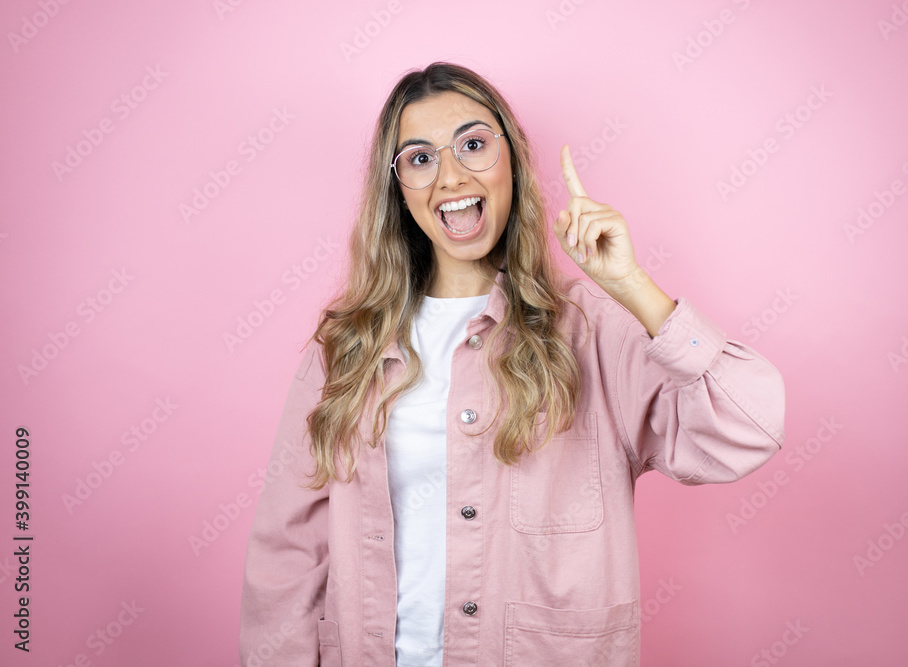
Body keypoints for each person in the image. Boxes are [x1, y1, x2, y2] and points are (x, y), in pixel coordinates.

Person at [238, 61, 785, 666]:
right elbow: (288, 553)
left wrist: (631, 284)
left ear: (512, 163)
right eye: (419, 158)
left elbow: (747, 430)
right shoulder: (347, 347)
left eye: (473, 145)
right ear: (398, 188)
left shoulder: (592, 331)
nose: (450, 176)